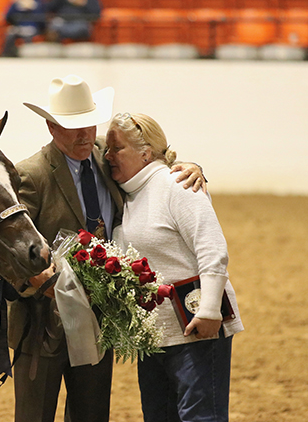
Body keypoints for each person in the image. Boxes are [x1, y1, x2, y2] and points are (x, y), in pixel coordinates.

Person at [7, 75, 206, 422]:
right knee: (34, 415)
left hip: (100, 320)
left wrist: (193, 167)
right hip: (43, 326)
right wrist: (36, 282)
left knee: (93, 414)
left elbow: (155, 161)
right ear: (52, 127)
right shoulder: (30, 174)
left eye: (89, 122)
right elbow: (8, 249)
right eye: (73, 126)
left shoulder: (105, 155)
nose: (85, 134)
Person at [106, 112, 245, 422]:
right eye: (108, 148)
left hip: (196, 328)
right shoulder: (126, 194)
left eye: (117, 149)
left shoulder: (177, 184)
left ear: (145, 152)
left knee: (200, 417)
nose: (108, 156)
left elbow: (211, 246)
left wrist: (209, 309)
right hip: (154, 335)